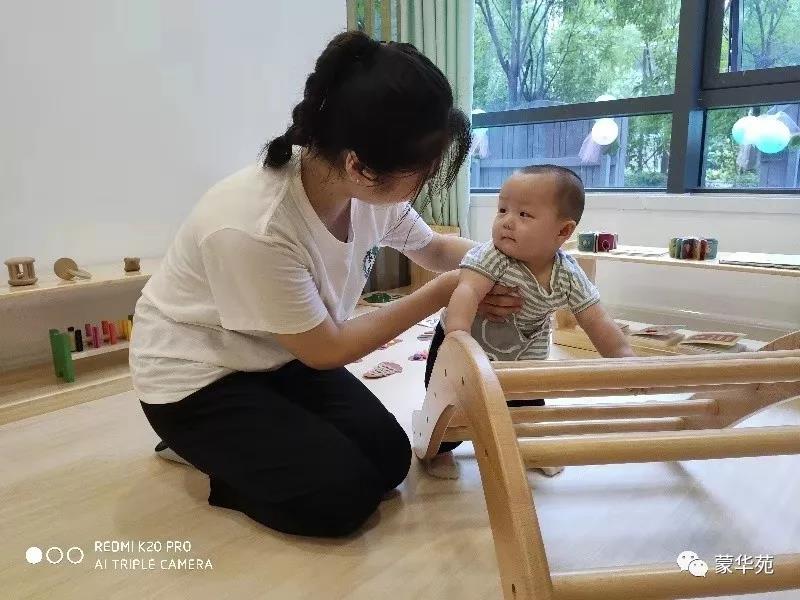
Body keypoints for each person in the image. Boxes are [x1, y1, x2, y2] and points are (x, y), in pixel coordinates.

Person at [130, 30, 521, 538]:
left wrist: (510, 261)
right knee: (341, 500)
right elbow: (327, 349)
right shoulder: (256, 226)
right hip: (196, 380)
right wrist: (444, 291)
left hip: (277, 354)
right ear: (359, 165)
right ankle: (203, 454)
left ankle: (255, 445)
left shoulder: (362, 189)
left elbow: (433, 249)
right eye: (422, 171)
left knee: (388, 460)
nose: (424, 182)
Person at [423, 165, 635, 478]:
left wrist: (623, 358)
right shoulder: (491, 257)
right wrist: (458, 336)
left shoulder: (568, 275)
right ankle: (439, 450)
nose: (507, 221)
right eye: (502, 210)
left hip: (523, 356)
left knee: (529, 404)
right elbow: (467, 290)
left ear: (563, 231)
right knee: (450, 399)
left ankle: (532, 446)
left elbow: (597, 319)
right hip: (464, 344)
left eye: (524, 214)